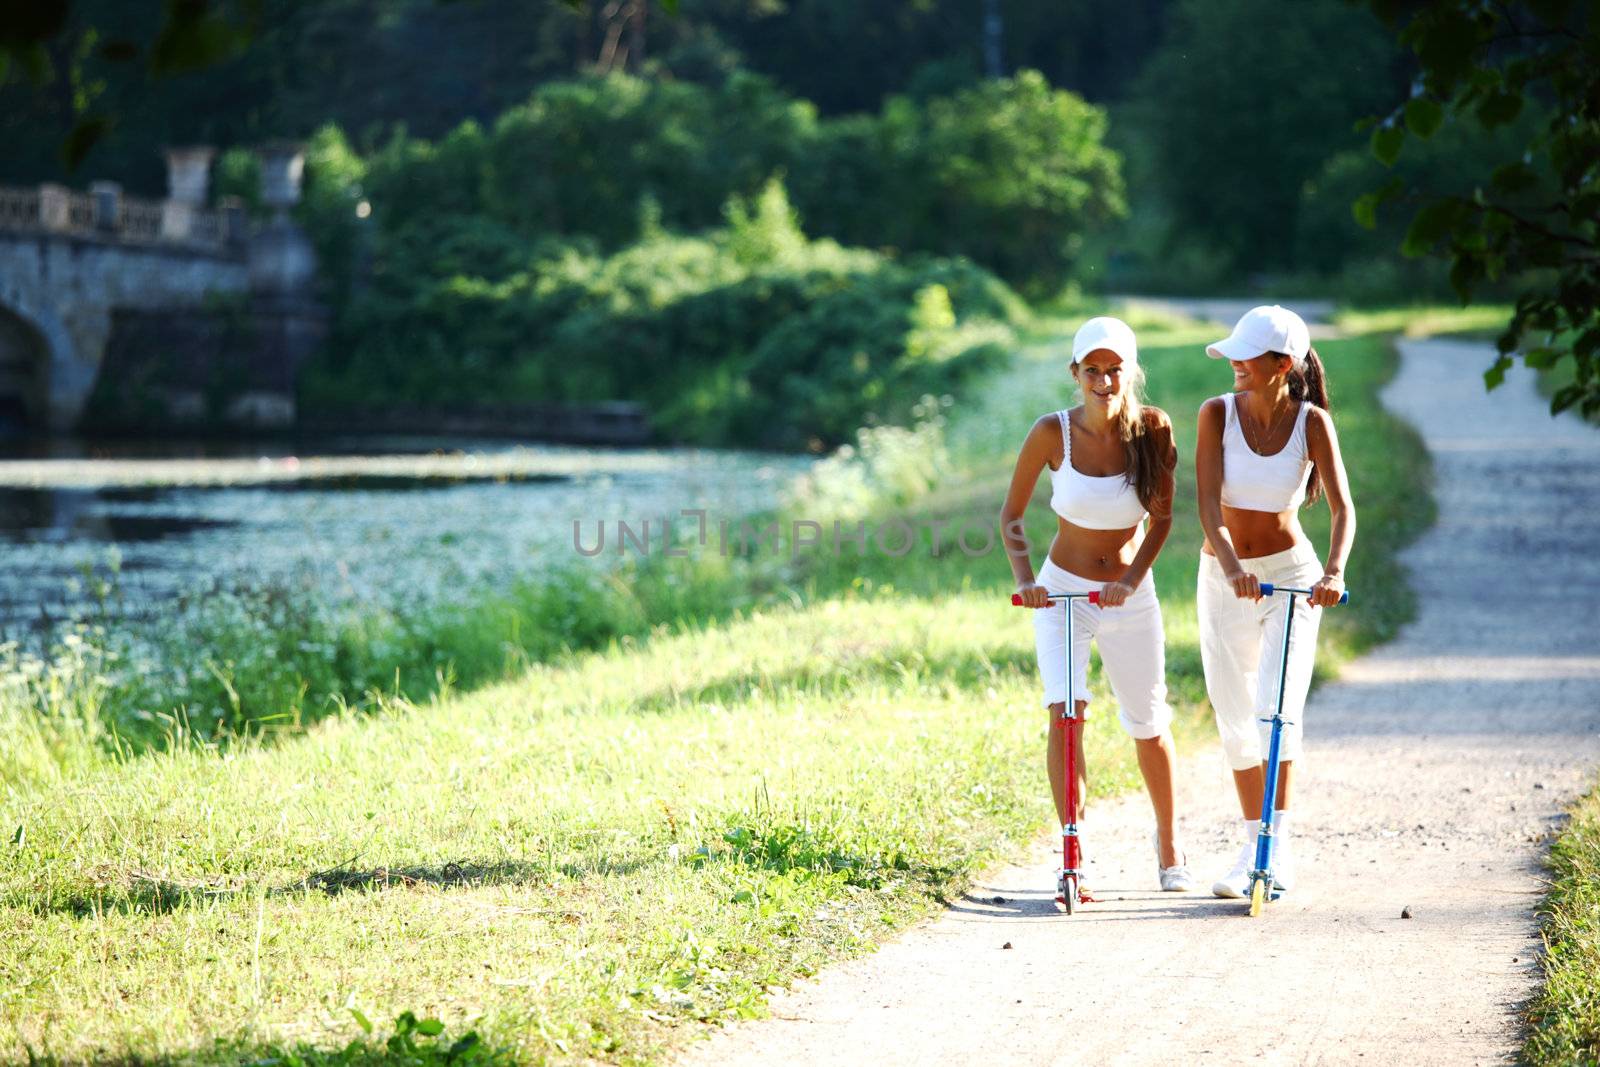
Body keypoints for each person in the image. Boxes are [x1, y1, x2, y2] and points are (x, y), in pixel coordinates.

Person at [1001, 316, 1195, 895]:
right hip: (1063, 593)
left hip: (1129, 598)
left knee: (1148, 720)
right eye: (1093, 370)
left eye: (1115, 371)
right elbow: (1012, 516)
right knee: (1066, 715)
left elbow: (1161, 519)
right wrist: (1027, 580)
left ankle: (1168, 843)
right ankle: (1072, 851)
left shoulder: (1153, 430)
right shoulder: (1050, 432)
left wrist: (1132, 580)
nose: (1104, 381)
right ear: (1075, 373)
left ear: (1130, 372)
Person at [1194, 305, 1356, 898]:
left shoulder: (1312, 422)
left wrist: (1333, 572)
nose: (1234, 363)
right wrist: (1232, 566)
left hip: (1291, 577)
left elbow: (1343, 508)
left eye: (1247, 355)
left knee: (1276, 712)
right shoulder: (1216, 413)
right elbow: (1209, 508)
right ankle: (1249, 845)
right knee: (1235, 717)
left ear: (1281, 364)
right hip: (1224, 577)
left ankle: (1274, 848)